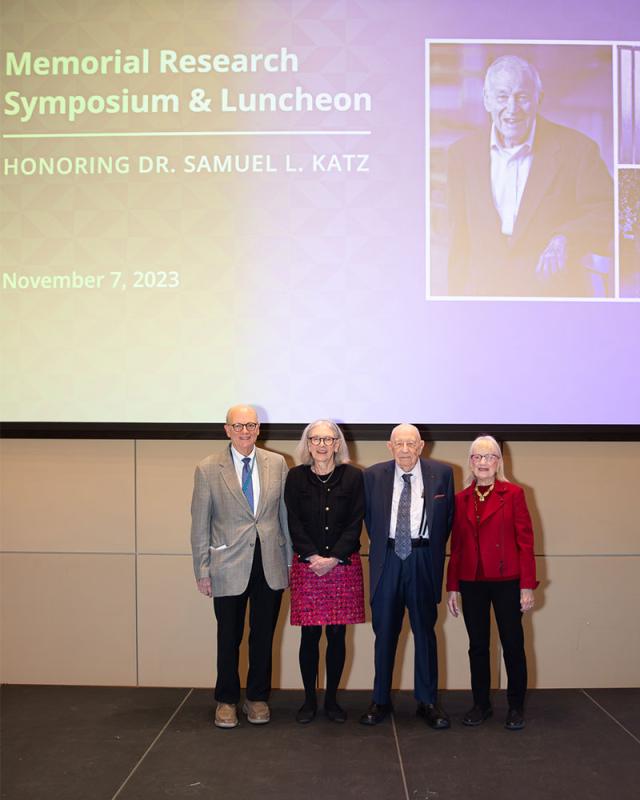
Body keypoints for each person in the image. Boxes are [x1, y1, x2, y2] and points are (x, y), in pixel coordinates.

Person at [446, 53, 613, 297]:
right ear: (486, 100)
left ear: (539, 99)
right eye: (502, 97)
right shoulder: (461, 154)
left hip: (554, 293)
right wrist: (453, 301)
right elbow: (458, 237)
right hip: (483, 294)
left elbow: (608, 211)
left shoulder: (578, 150)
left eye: (522, 97)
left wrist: (565, 237)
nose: (512, 108)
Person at [190, 404, 291, 729]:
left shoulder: (277, 463)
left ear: (259, 428)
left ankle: (257, 698)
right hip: (227, 566)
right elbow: (199, 524)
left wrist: (290, 562)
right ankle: (227, 700)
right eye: (238, 425)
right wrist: (202, 570)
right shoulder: (208, 468)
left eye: (250, 425)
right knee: (228, 636)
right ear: (227, 429)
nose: (244, 431)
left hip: (270, 563)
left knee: (263, 636)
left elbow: (285, 518)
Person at [360, 424, 454, 729]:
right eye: (398, 444)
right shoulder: (372, 476)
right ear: (389, 446)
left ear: (421, 445)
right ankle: (380, 700)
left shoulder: (443, 473)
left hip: (423, 559)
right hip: (387, 559)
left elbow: (447, 519)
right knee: (384, 633)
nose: (404, 449)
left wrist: (425, 548)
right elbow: (369, 519)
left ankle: (427, 701)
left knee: (425, 632)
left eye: (410, 444)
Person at [446, 435, 538, 731]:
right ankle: (480, 704)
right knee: (478, 646)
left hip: (507, 580)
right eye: (477, 457)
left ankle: (515, 707)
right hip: (471, 580)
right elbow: (456, 545)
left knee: (513, 645)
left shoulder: (514, 493)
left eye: (489, 457)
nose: (483, 463)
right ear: (470, 462)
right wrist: (452, 586)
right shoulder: (460, 499)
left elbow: (526, 542)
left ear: (499, 462)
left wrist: (526, 585)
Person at [284, 420, 365, 724]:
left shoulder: (354, 477)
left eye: (327, 439)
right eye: (314, 439)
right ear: (307, 444)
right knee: (309, 635)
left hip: (342, 565)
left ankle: (331, 700)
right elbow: (292, 520)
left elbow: (357, 521)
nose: (320, 444)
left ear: (337, 444)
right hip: (307, 565)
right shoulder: (295, 477)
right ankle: (308, 700)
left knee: (337, 635)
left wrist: (333, 558)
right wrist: (311, 555)